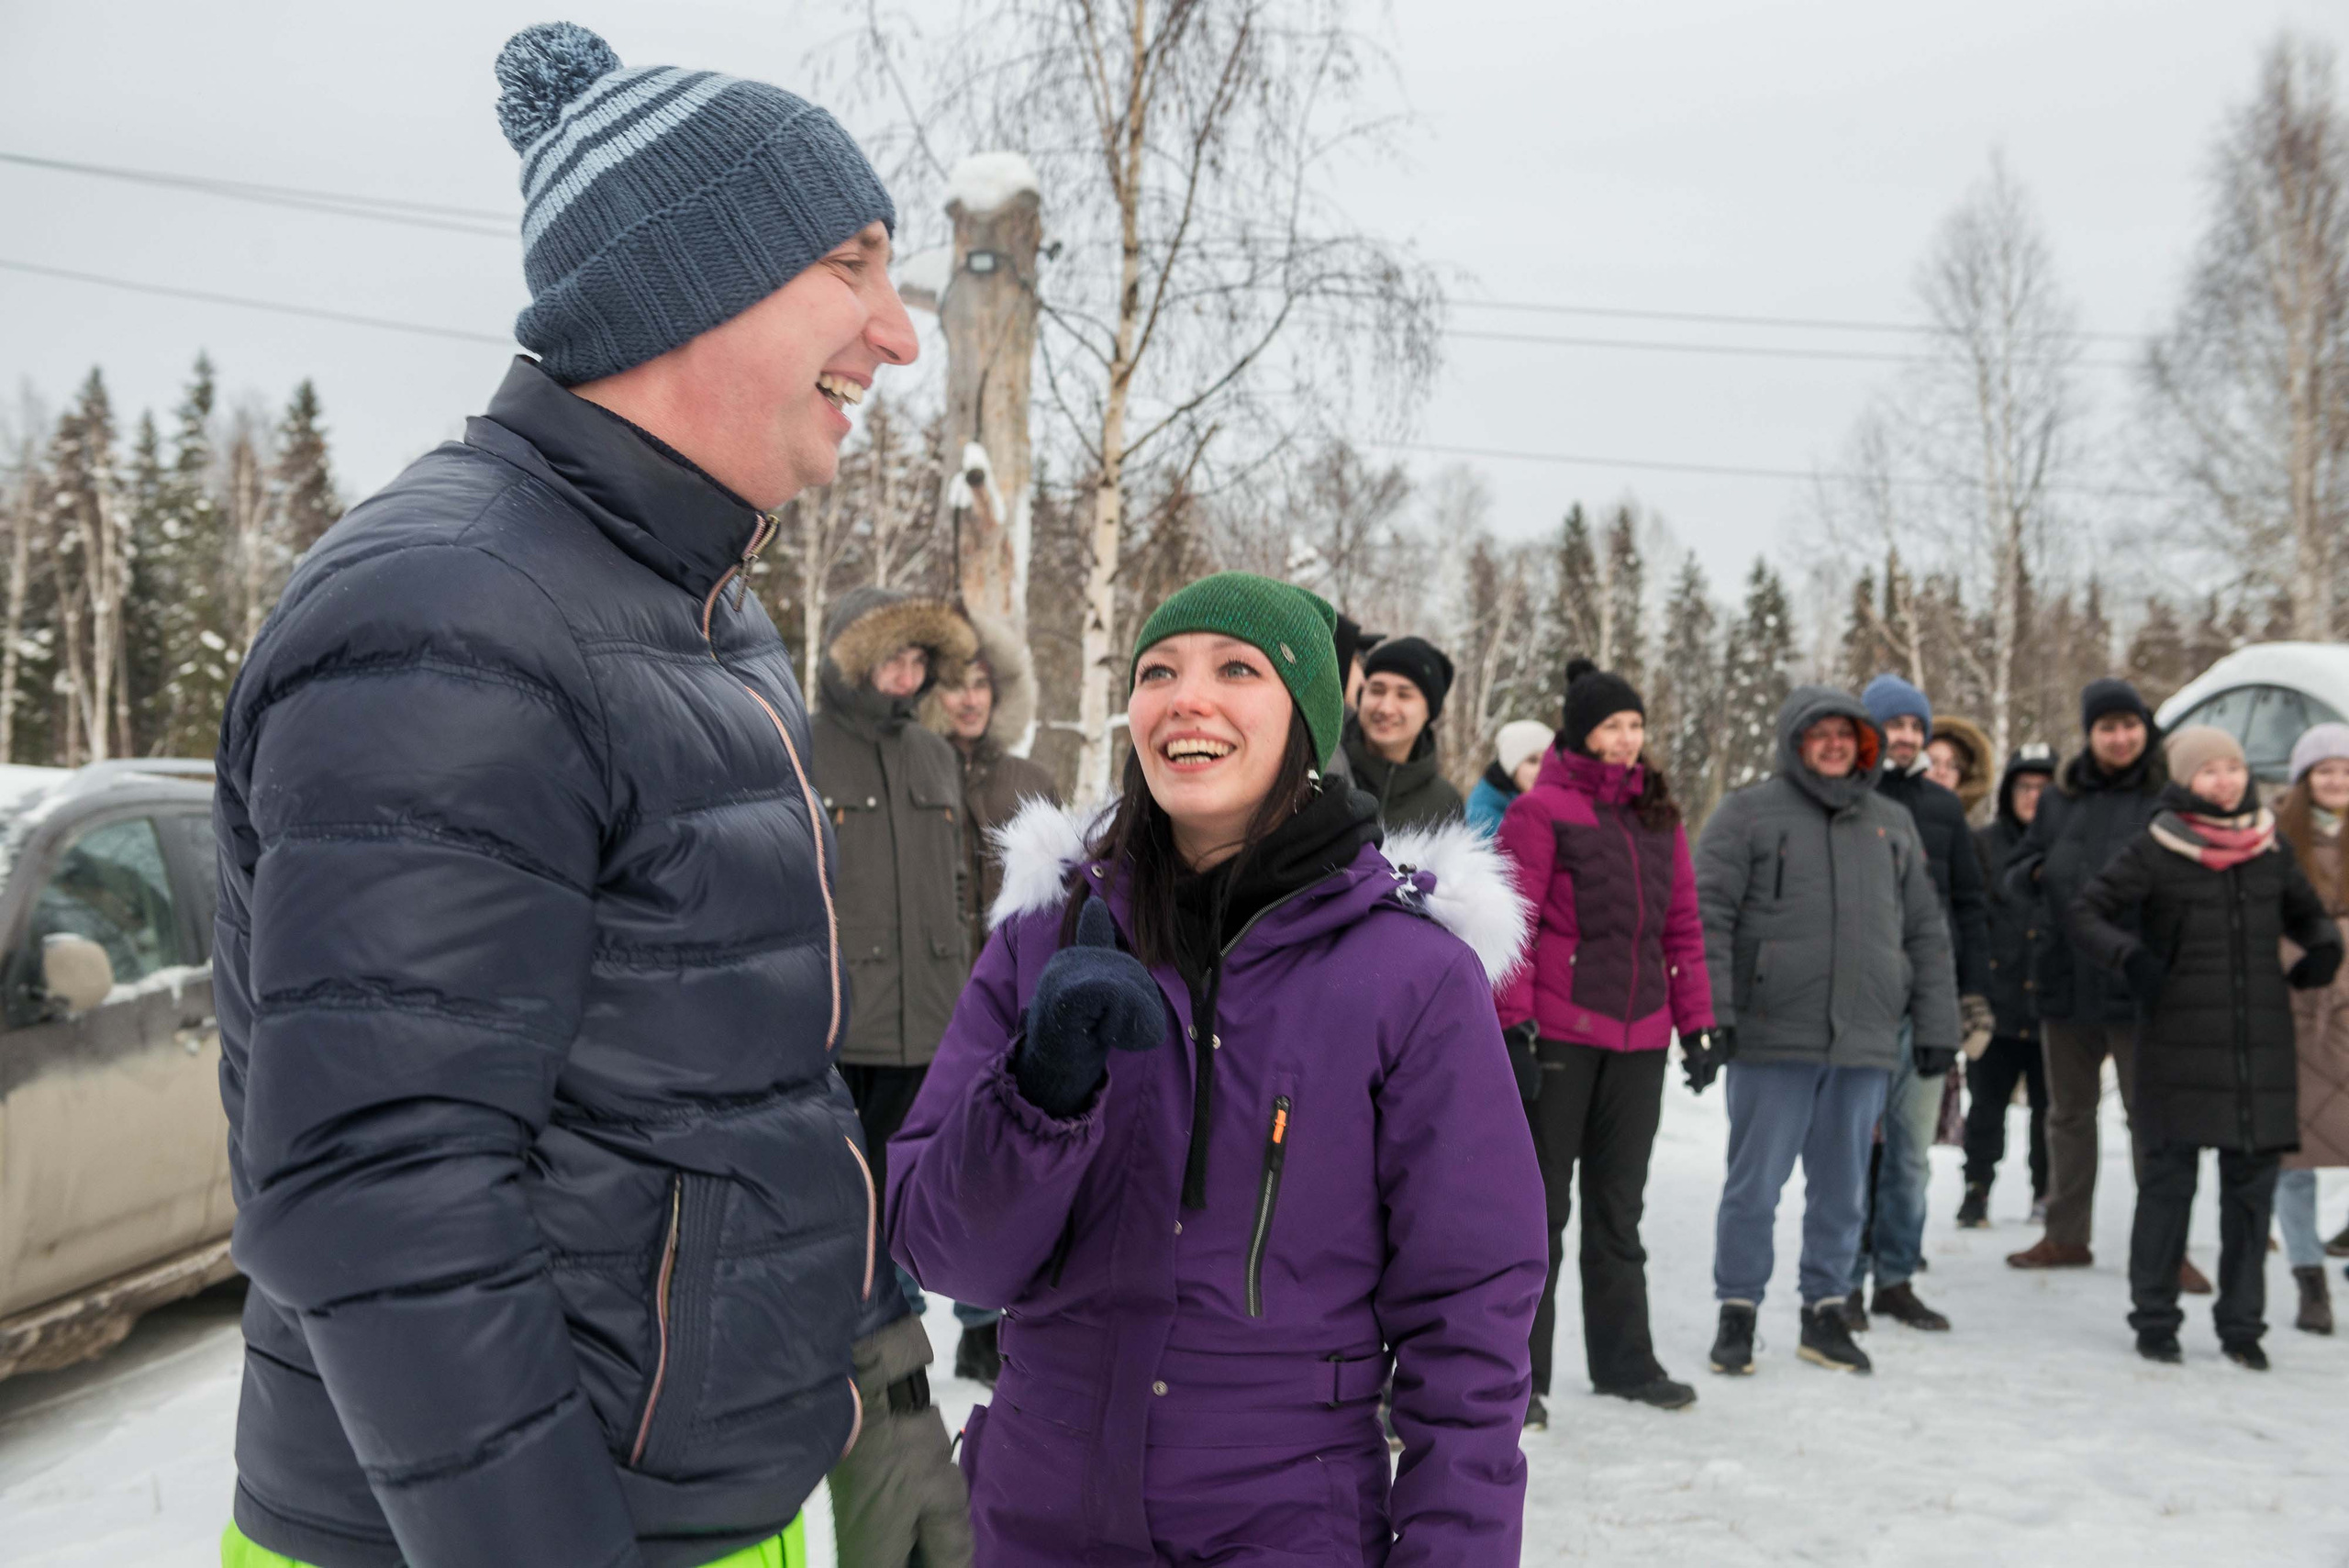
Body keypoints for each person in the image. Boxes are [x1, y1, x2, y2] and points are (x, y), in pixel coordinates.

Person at [210, 22, 925, 1567]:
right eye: (854, 265)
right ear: (692, 282)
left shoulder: (702, 611)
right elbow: (383, 1190)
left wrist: (884, 1381)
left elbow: (750, 1084)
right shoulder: (453, 614)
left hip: (692, 1503)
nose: (898, 332)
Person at [887, 572, 1547, 1564]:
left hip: (1285, 1513)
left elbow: (1471, 1308)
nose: (1186, 697)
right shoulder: (1045, 936)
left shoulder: (1408, 972)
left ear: (1305, 719)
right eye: (1158, 671)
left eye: (1236, 668)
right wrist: (1038, 1092)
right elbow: (947, 1256)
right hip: (1035, 1504)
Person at [1696, 688, 1959, 1377]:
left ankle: (1826, 1310)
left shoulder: (1892, 821)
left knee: (1844, 1188)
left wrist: (1937, 1024)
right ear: (1795, 740)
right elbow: (1708, 917)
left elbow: (1926, 931)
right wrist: (1712, 1014)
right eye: (1822, 733)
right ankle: (1738, 1310)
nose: (1836, 743)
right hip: (1771, 1033)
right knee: (1755, 1184)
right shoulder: (1748, 812)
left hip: (1865, 1039)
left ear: (1866, 745)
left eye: (1849, 733)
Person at [2071, 726, 2342, 1367]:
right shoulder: (2159, 845)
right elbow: (2087, 911)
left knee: (2249, 1196)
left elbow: (2304, 913)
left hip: (2259, 1048)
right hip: (2179, 1043)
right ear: (2186, 779)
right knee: (2168, 1188)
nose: (2225, 780)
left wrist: (2323, 947)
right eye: (2210, 770)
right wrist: (2129, 957)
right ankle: (2155, 1317)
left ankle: (2242, 1325)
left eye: (2233, 768)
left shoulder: (2269, 844)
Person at [1496, 660, 1716, 1423]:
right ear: (1580, 732)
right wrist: (1513, 1024)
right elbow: (1514, 927)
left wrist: (1699, 1024)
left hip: (1642, 1038)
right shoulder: (1540, 810)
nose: (1627, 741)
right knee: (1541, 1210)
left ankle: (1626, 1363)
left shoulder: (1659, 816)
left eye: (1634, 725)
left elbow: (1681, 927)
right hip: (1560, 1031)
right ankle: (1521, 1379)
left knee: (1620, 1210)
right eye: (1611, 726)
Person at [807, 588, 984, 1323]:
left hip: (932, 1017)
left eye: (918, 660)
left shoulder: (935, 753)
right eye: (893, 658)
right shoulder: (804, 741)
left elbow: (958, 877)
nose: (907, 676)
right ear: (856, 660)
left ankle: (902, 1329)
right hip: (845, 1016)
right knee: (842, 1199)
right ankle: (852, 1333)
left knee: (913, 1190)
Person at [2003, 679, 2210, 1292]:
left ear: (2145, 729)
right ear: (2089, 734)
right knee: (2067, 1114)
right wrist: (2039, 872)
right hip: (2065, 979)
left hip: (2139, 980)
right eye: (2105, 727)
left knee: (2153, 1120)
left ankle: (2167, 1247)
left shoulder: (2168, 796)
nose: (2119, 737)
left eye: (2128, 724)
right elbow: (2016, 871)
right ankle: (2066, 1234)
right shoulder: (2059, 800)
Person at [920, 606, 1062, 1382]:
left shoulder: (1030, 781)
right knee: (910, 1154)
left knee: (988, 1161)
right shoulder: (909, 765)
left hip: (1001, 999)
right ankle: (899, 1314)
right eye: (952, 684)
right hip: (915, 993)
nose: (968, 699)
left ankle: (981, 1322)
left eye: (981, 684)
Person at [1851, 674, 1993, 1333]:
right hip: (1855, 1002)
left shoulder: (1942, 807)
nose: (1907, 735)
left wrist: (1970, 992)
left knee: (1910, 1152)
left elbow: (1969, 901)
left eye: (1916, 725)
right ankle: (1841, 1278)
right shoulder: (1846, 796)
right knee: (1849, 1149)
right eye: (1895, 724)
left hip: (1926, 1004)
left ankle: (1897, 1277)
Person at [1957, 744, 2059, 1230]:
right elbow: (1971, 919)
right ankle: (1976, 1188)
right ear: (2008, 791)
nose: (2033, 797)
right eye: (2024, 787)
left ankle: (2046, 1190)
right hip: (1995, 1002)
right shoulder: (1983, 844)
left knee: (2050, 1110)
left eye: (2044, 788)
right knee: (1986, 1107)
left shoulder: (2069, 846)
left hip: (2052, 1004)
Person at [2274, 722, 2349, 1334]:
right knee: (2292, 1159)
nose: (2336, 780)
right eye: (2325, 770)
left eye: (2346, 770)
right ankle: (2309, 1279)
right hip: (2297, 1012)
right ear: (2304, 779)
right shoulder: (2279, 841)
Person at [1342, 635, 1465, 829]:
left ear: (1430, 712)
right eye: (1377, 690)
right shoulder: (1327, 768)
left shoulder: (1445, 803)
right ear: (1361, 695)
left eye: (1404, 695)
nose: (1386, 708)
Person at [1467, 718, 1555, 839]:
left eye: (1547, 760)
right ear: (1512, 765)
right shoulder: (1484, 815)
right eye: (1532, 761)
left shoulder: (1542, 800)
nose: (1541, 769)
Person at [1928, 715, 1996, 818]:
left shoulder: (1969, 832)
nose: (1941, 772)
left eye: (1952, 766)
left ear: (1964, 776)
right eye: (1932, 762)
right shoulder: (1896, 820)